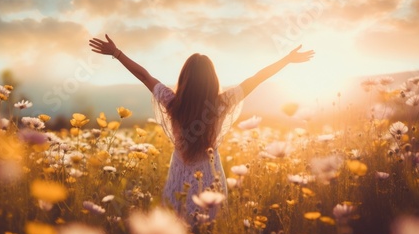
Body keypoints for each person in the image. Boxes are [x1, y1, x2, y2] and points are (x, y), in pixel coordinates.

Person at [89, 35, 314, 222]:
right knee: (208, 231)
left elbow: (144, 75)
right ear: (212, 80)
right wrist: (286, 59)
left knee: (179, 230)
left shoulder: (172, 102)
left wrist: (117, 53)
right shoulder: (222, 103)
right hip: (210, 179)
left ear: (184, 78)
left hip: (179, 179)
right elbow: (256, 79)